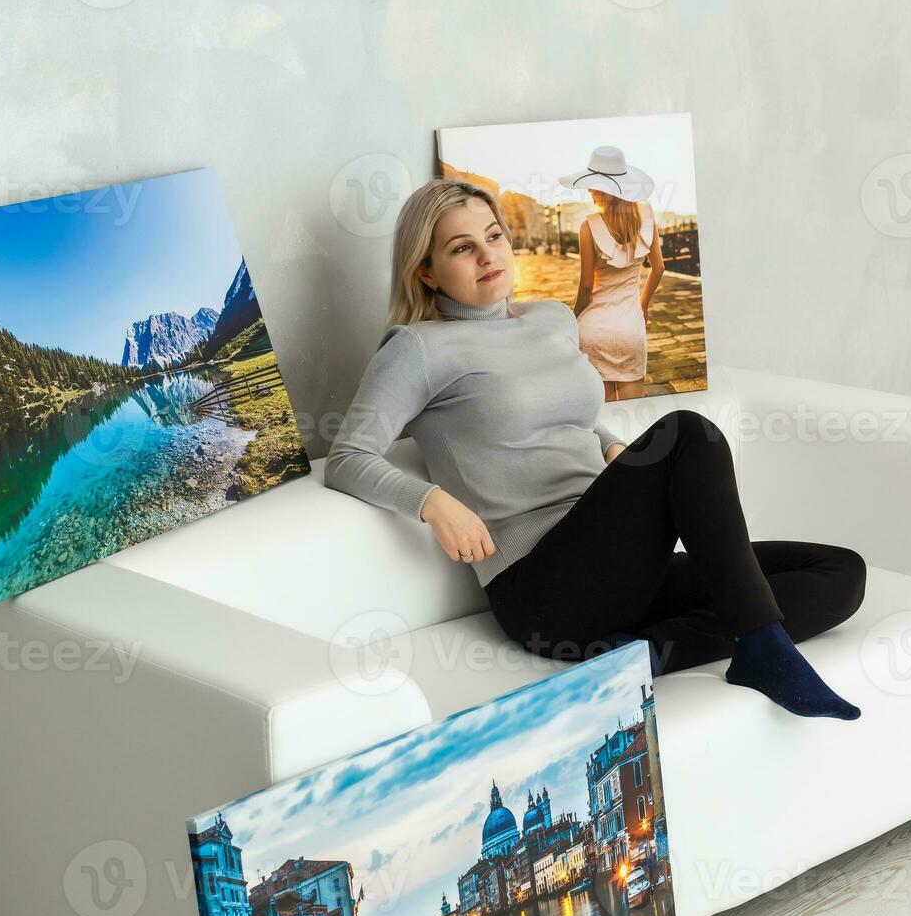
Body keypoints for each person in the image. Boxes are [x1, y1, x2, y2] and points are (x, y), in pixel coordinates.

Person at [323, 178, 865, 720]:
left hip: (621, 561)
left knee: (840, 573)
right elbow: (349, 457)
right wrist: (433, 503)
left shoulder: (552, 319)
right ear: (425, 269)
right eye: (462, 248)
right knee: (687, 434)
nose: (487, 255)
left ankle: (645, 653)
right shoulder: (416, 349)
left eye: (493, 236)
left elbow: (567, 414)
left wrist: (611, 446)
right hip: (544, 588)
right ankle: (763, 649)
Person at [561, 146, 664, 400]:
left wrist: (572, 320)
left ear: (604, 189)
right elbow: (659, 268)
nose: (589, 190)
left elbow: (586, 288)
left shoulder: (588, 227)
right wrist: (643, 304)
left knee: (604, 413)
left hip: (594, 330)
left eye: (593, 185)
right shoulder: (647, 217)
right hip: (631, 326)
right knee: (633, 410)